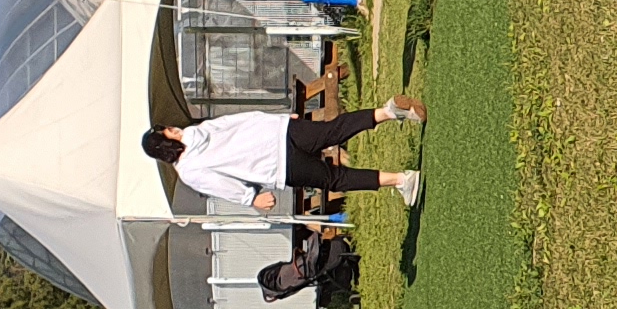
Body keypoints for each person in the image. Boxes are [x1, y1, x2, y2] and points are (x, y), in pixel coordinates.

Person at [143, 99, 428, 211]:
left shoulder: (189, 169)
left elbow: (220, 185)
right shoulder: (201, 129)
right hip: (280, 131)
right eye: (165, 130)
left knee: (335, 179)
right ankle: (389, 111)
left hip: (277, 166)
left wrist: (251, 198)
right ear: (168, 136)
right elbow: (241, 119)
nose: (170, 128)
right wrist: (277, 118)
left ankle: (402, 180)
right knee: (333, 131)